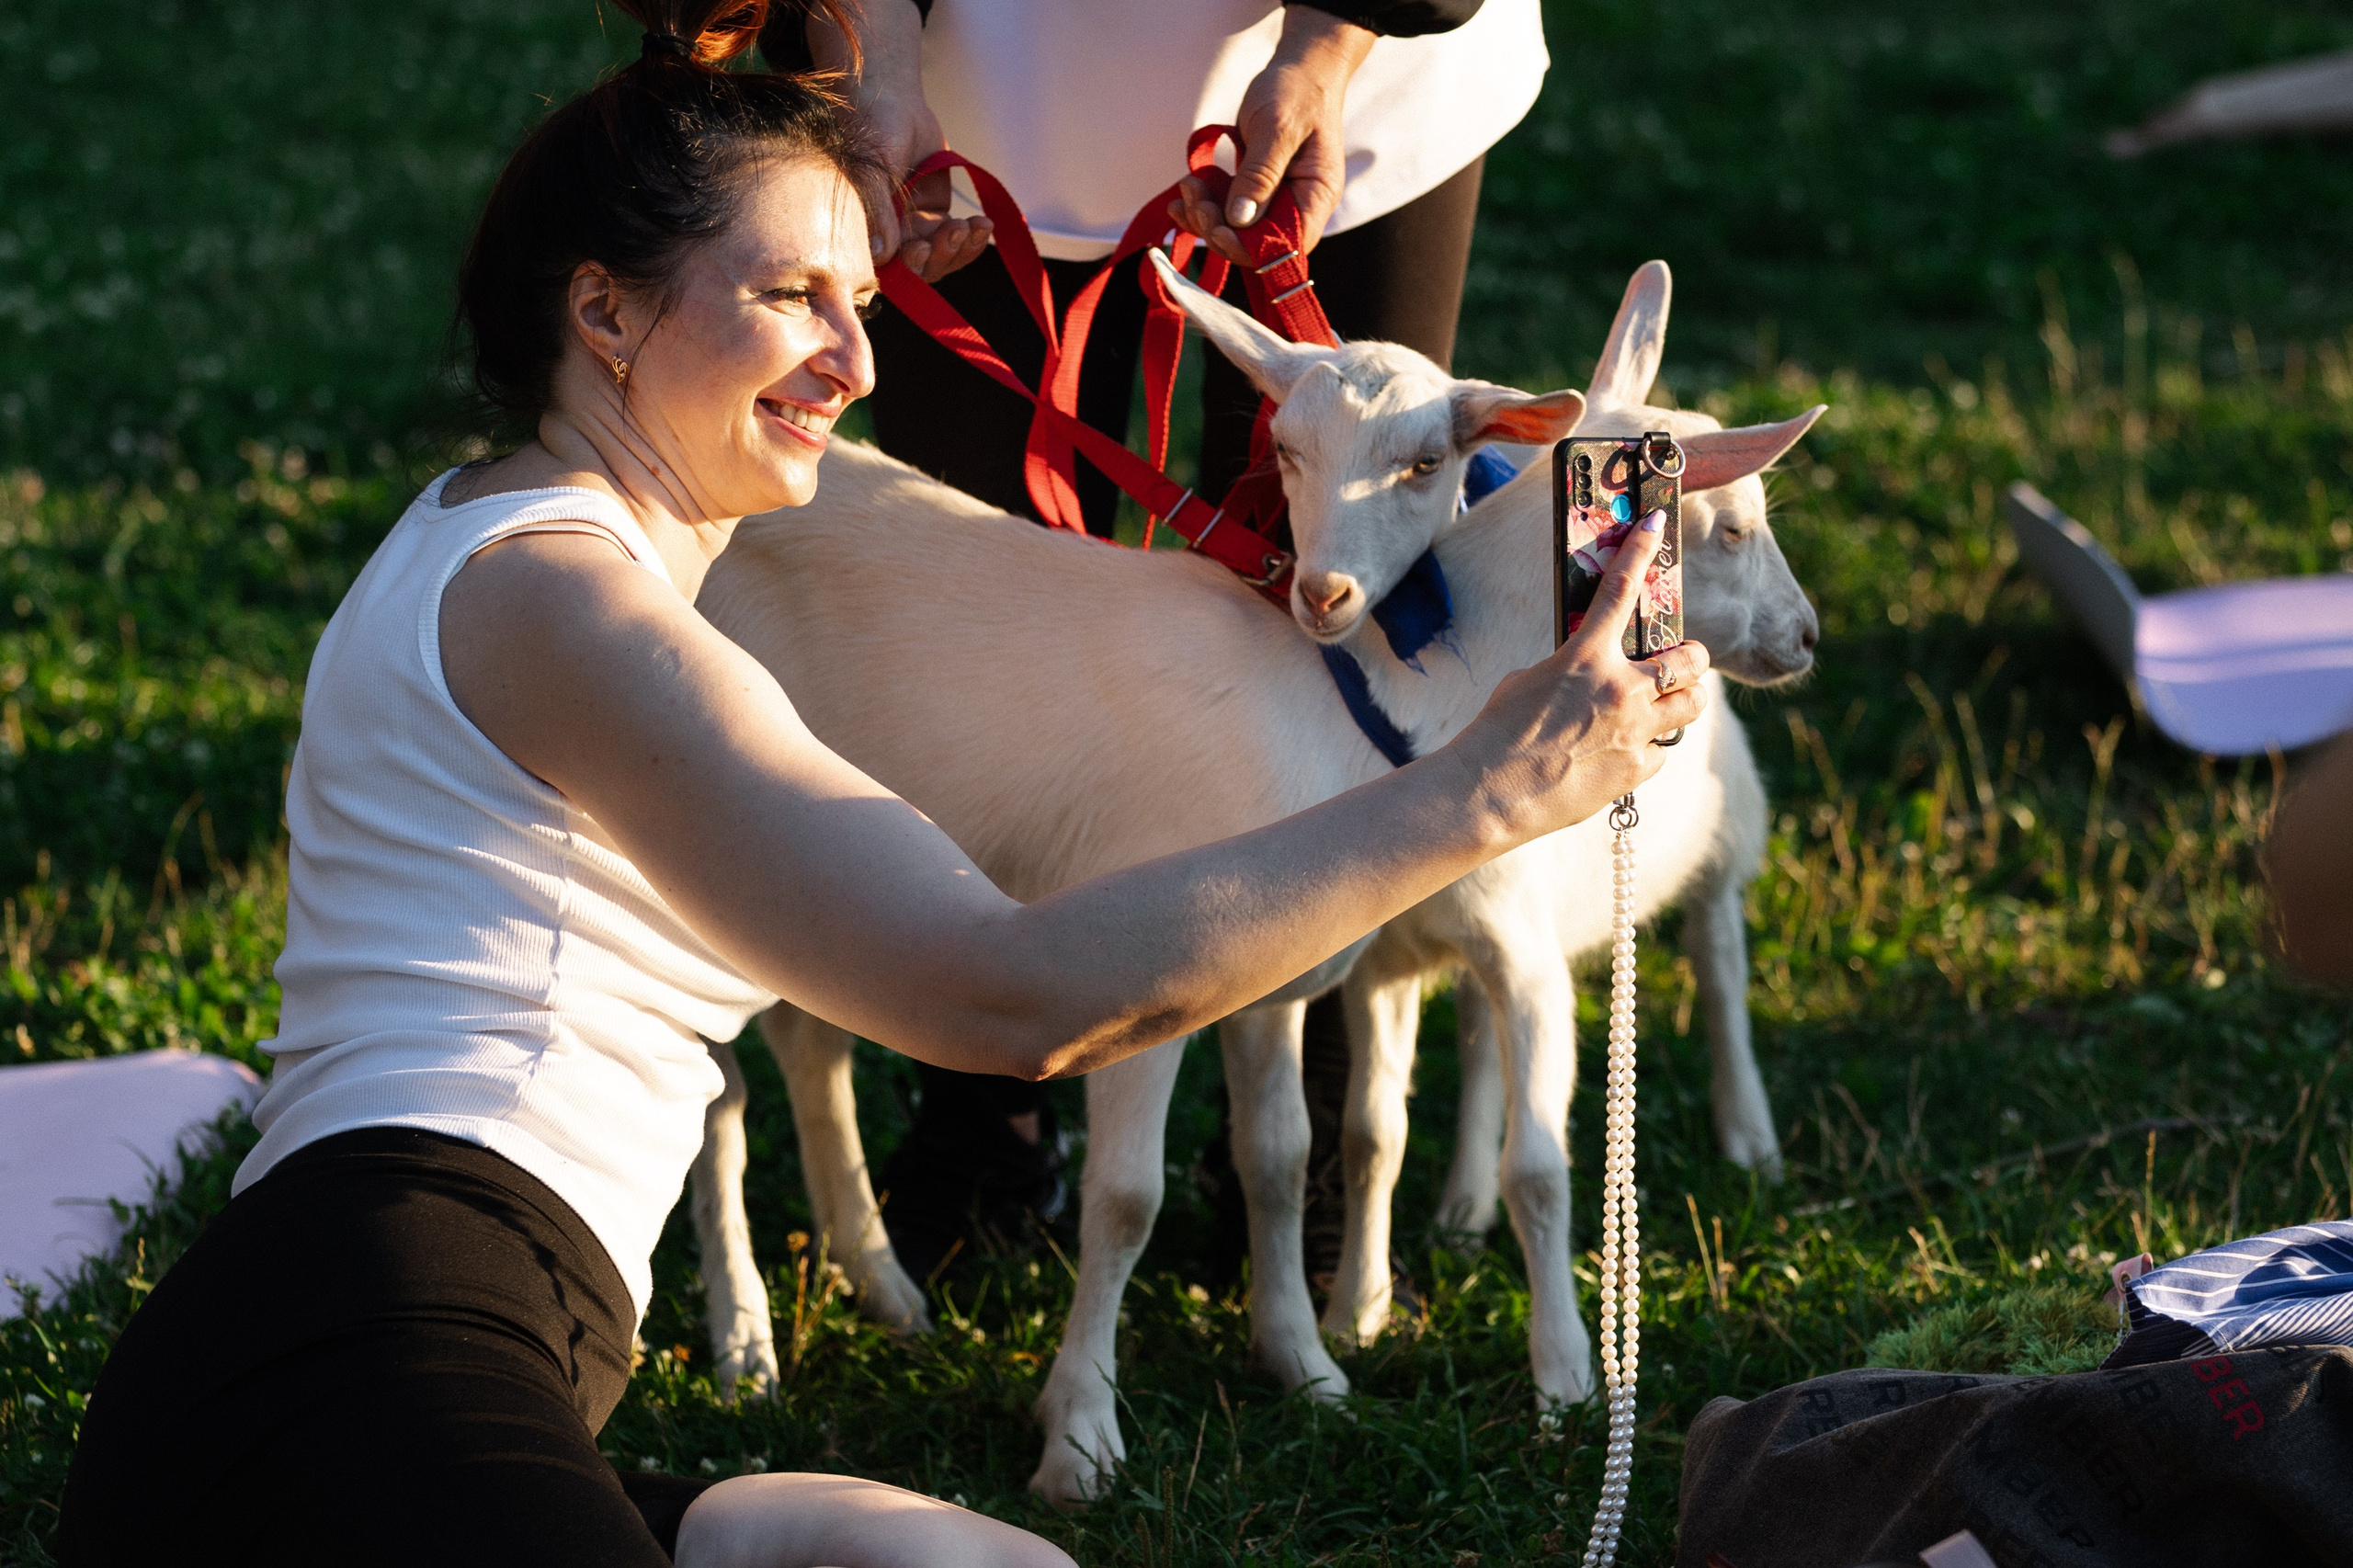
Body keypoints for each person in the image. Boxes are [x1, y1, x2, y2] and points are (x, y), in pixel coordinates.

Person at [54, 3, 1703, 1563]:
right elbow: (1007, 996)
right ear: (604, 310)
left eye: (863, 298)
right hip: (364, 1357)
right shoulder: (568, 604)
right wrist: (1477, 799)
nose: (854, 359)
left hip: (436, 1373)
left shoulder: (546, 548)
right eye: (791, 299)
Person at [758, 0, 1547, 1285]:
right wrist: (873, 55)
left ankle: (1306, 1154)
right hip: (972, 93)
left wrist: (1330, 45)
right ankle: (984, 1105)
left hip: (1357, 90)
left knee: (1352, 598)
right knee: (971, 610)